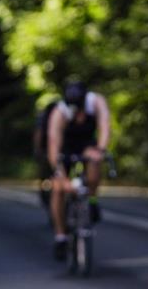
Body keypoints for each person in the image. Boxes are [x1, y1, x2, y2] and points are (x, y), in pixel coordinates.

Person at [47, 81, 111, 260]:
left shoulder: (96, 102)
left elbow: (105, 127)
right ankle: (60, 236)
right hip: (65, 147)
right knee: (58, 188)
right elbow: (53, 145)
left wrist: (100, 149)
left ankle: (92, 200)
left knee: (94, 161)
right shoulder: (59, 113)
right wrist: (62, 178)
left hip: (87, 145)